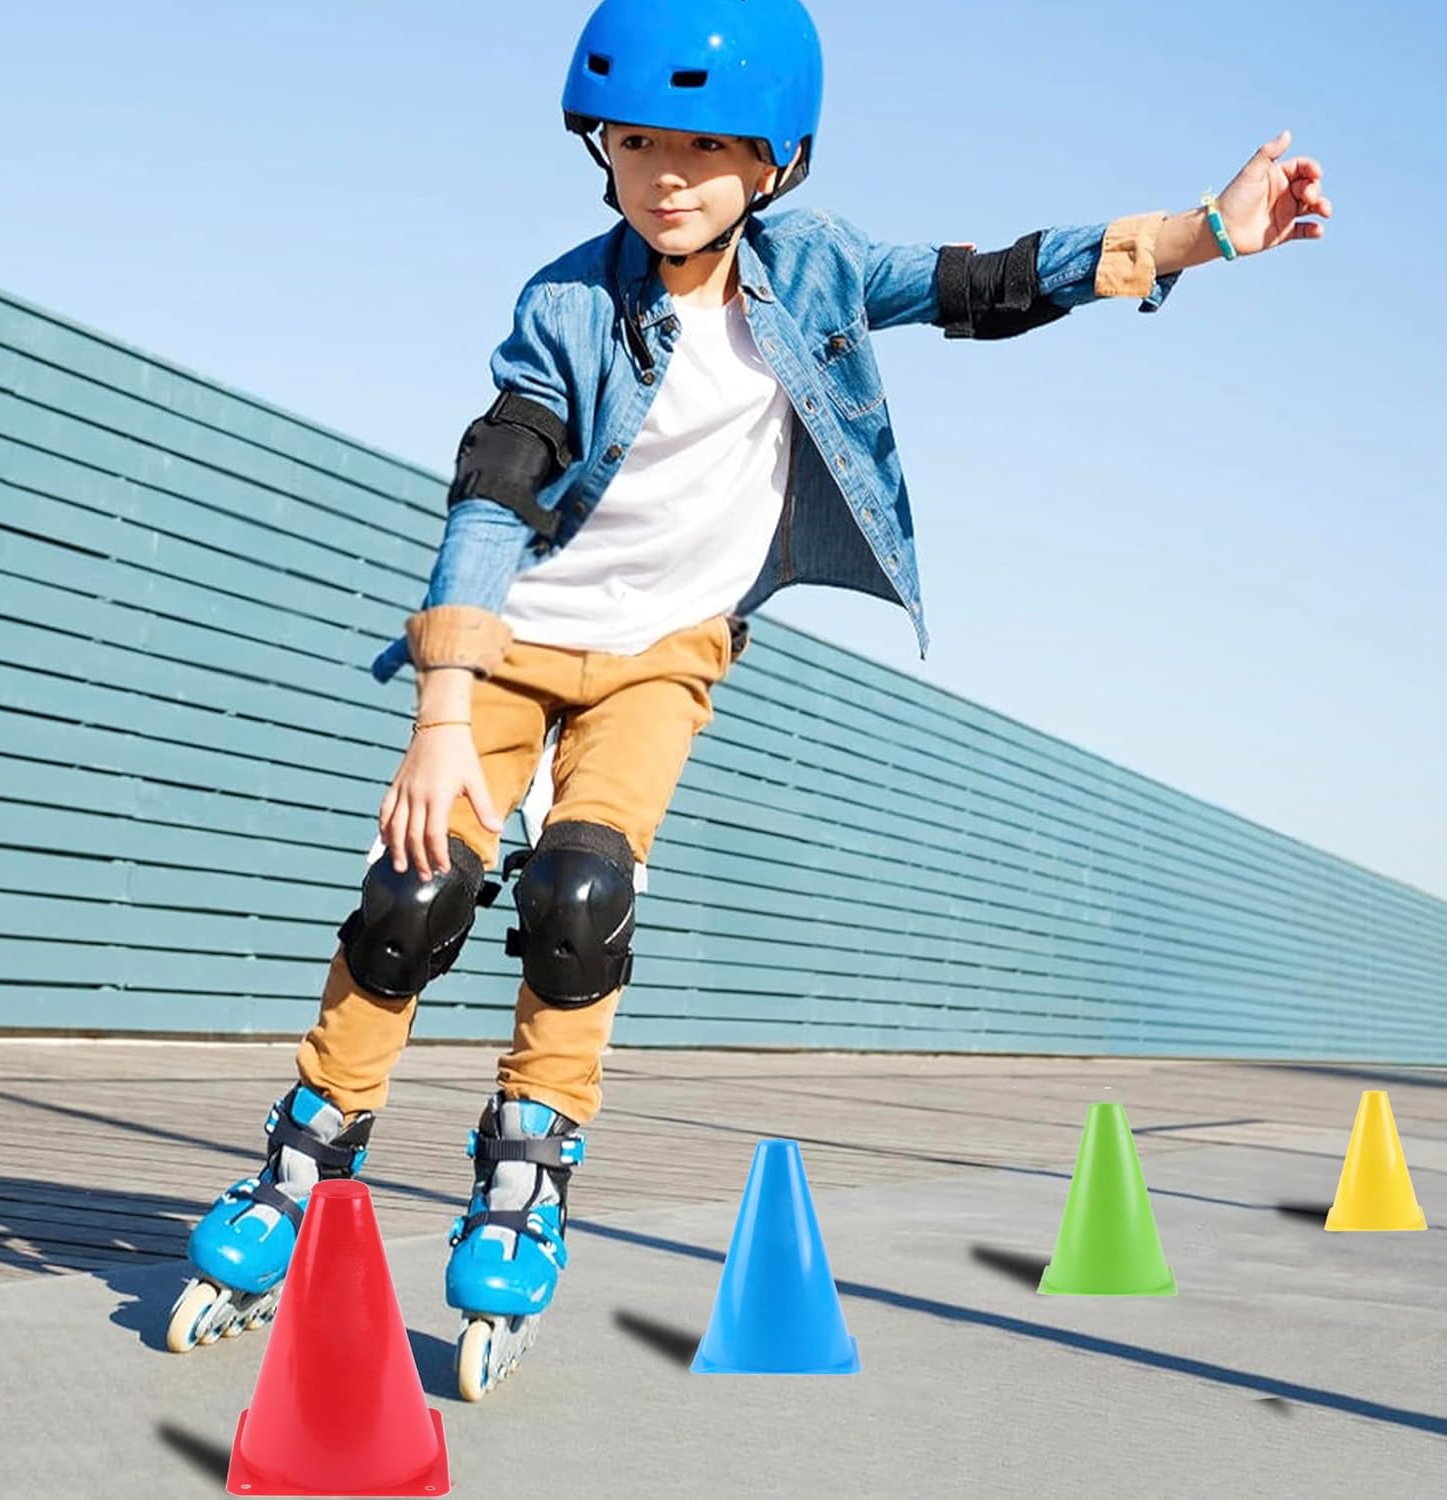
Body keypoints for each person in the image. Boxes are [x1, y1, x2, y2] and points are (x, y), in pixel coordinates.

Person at [170, 0, 1330, 1396]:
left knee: (582, 893)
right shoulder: (565, 302)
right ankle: (304, 1155)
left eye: (705, 148)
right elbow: (494, 482)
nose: (666, 177)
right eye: (636, 143)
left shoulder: (819, 269)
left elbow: (989, 283)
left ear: (773, 162)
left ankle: (525, 1174)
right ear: (600, 147)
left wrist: (1207, 233)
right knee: (416, 890)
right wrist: (441, 711)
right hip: (517, 637)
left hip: (664, 654)